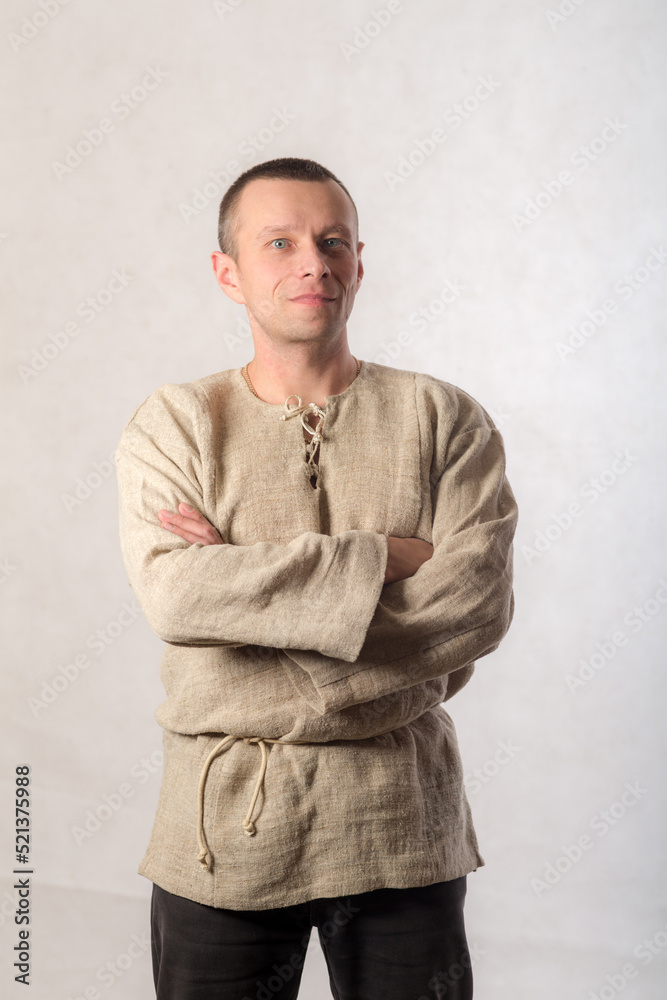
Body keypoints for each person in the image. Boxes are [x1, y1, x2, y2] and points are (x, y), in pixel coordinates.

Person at [114, 156, 518, 1000]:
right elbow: (178, 596)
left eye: (333, 242)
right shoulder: (175, 424)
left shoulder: (443, 418)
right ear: (227, 272)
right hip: (223, 831)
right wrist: (382, 558)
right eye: (279, 243)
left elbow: (474, 605)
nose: (313, 263)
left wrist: (245, 593)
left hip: (400, 824)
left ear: (358, 263)